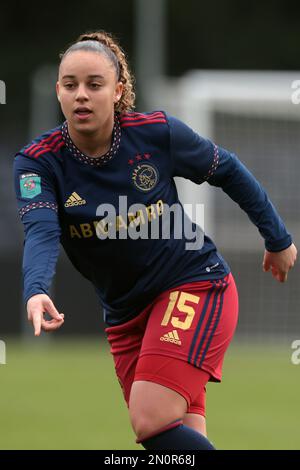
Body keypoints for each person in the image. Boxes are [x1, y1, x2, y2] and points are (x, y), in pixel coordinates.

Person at [13, 30, 297, 450]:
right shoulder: (38, 162)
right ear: (58, 91)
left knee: (148, 419)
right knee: (168, 440)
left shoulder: (155, 134)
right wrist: (35, 290)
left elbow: (229, 170)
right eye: (70, 85)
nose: (81, 96)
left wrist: (278, 239)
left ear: (118, 91)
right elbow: (41, 231)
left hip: (194, 286)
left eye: (95, 85)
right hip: (126, 315)